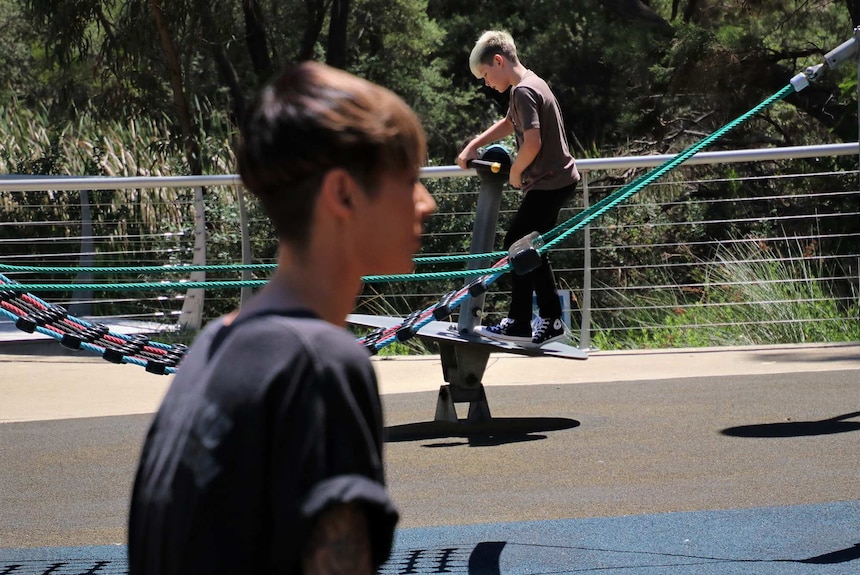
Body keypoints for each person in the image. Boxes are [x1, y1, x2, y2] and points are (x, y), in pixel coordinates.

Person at [128, 61, 437, 575]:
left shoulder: (215, 345)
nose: (424, 203)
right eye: (408, 180)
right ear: (342, 194)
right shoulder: (319, 363)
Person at [457, 30, 580, 347]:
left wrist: (518, 172)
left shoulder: (523, 91)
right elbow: (511, 123)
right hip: (558, 180)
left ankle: (535, 320)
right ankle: (525, 320)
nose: (485, 83)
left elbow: (533, 141)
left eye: (485, 75)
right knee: (527, 247)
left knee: (517, 243)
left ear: (498, 61)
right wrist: (475, 144)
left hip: (549, 182)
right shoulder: (529, 85)